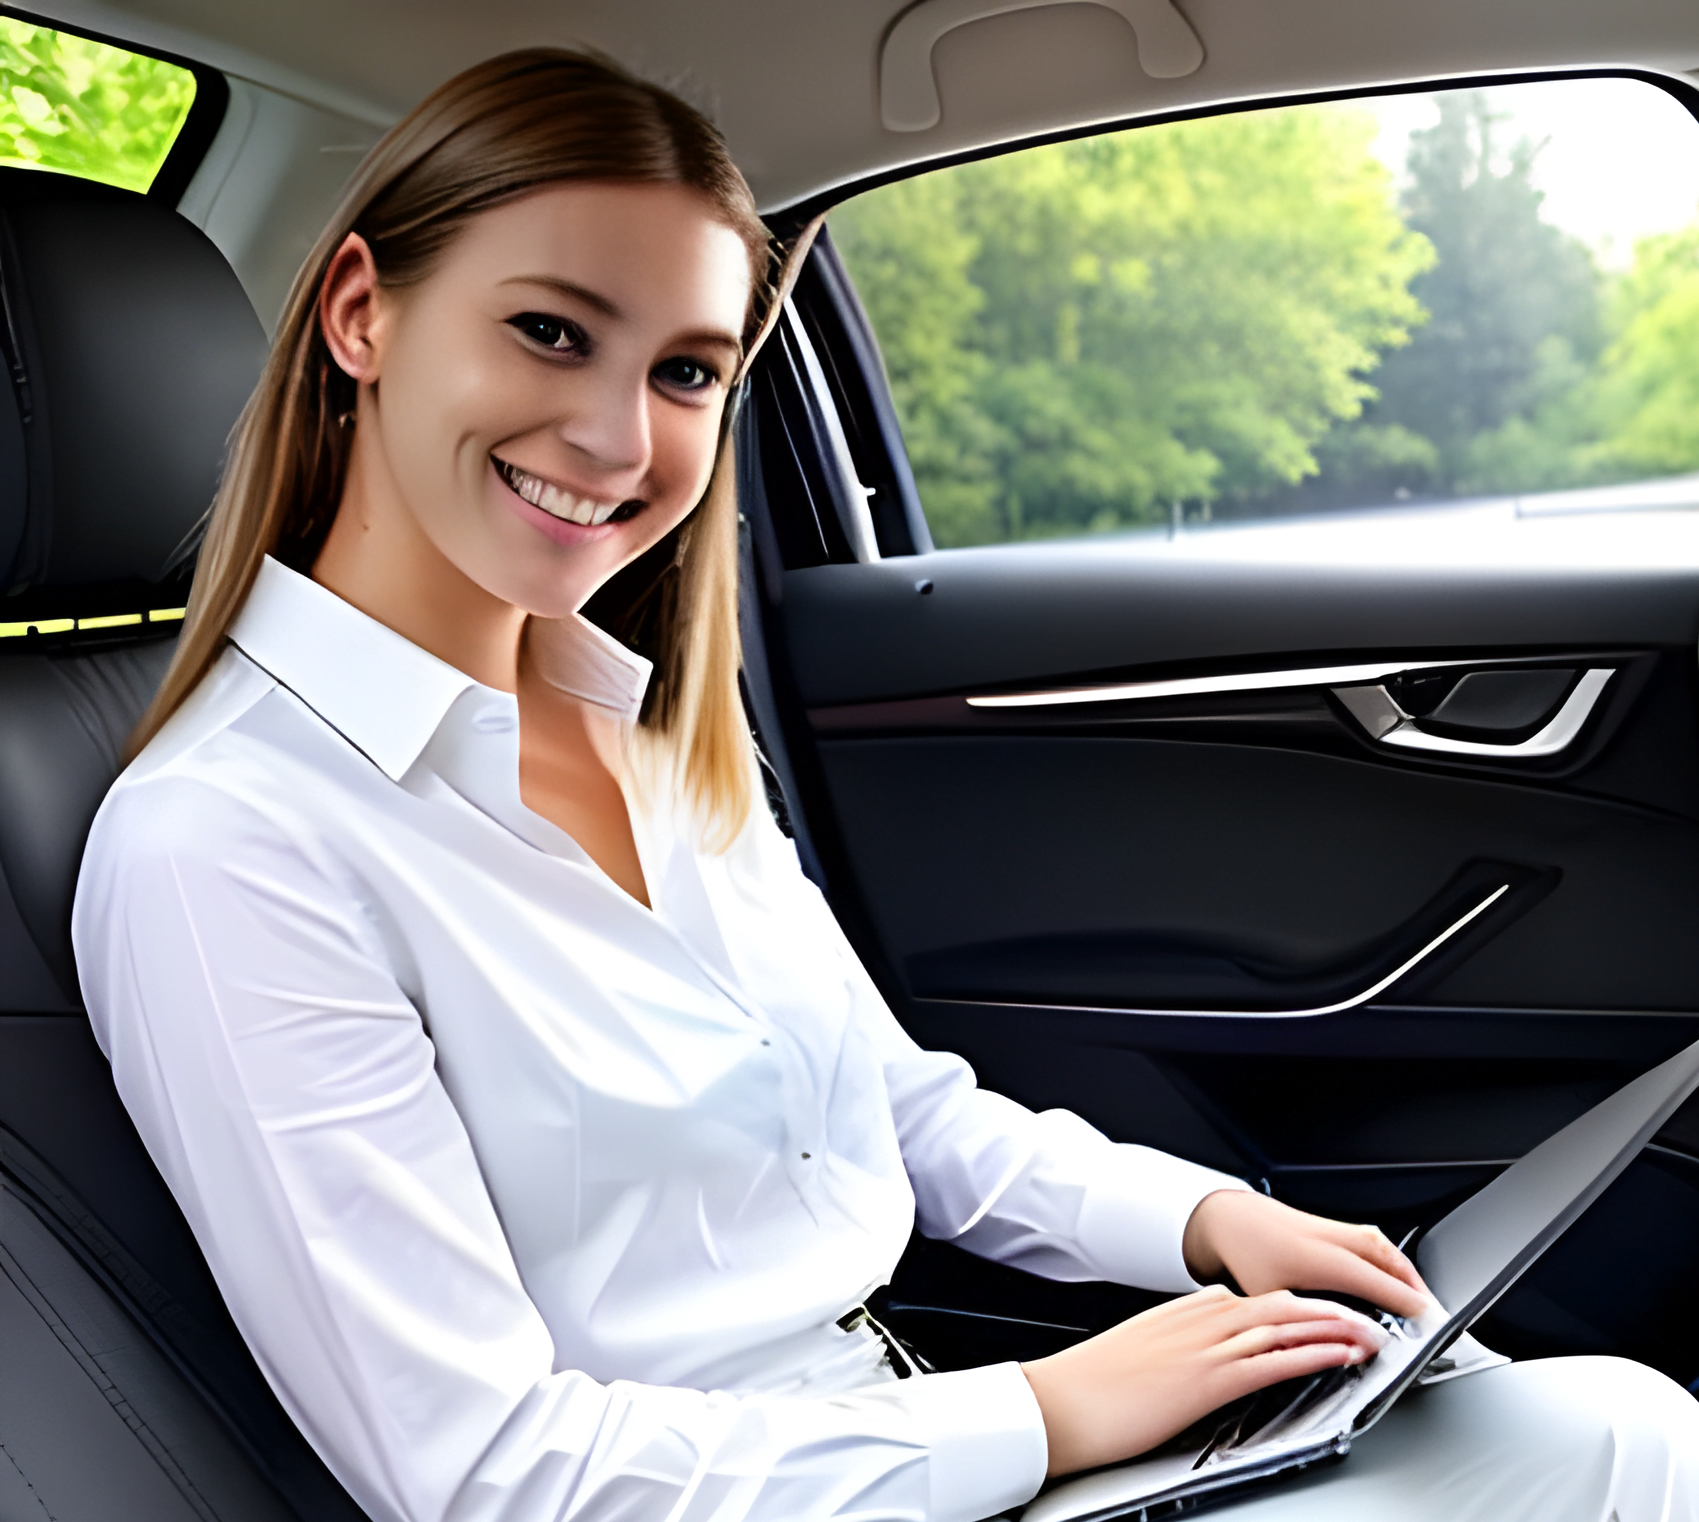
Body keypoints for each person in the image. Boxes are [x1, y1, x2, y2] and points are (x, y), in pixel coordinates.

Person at [72, 48, 1698, 1522]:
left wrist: (1206, 1223)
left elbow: (898, 1114)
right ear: (362, 313)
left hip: (908, 1443)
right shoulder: (228, 842)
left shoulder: (651, 738)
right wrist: (1053, 1410)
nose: (619, 436)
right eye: (550, 331)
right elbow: (489, 1474)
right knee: (1623, 1454)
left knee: (1615, 1423)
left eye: (689, 373)